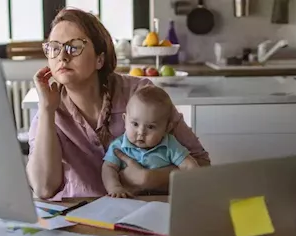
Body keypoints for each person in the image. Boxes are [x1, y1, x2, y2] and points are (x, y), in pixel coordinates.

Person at [27, 8, 209, 200]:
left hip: (145, 213)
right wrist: (47, 110)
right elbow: (44, 189)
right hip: (82, 220)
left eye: (74, 46)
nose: (62, 57)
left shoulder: (140, 94)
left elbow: (202, 165)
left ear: (100, 59)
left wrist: (151, 178)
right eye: (54, 48)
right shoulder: (48, 110)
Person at [102, 85, 199, 198]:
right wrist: (115, 188)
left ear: (167, 128)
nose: (141, 132)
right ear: (125, 120)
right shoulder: (118, 146)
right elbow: (108, 168)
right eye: (135, 124)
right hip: (130, 199)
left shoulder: (170, 144)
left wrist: (195, 181)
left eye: (151, 127)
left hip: (164, 199)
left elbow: (189, 166)